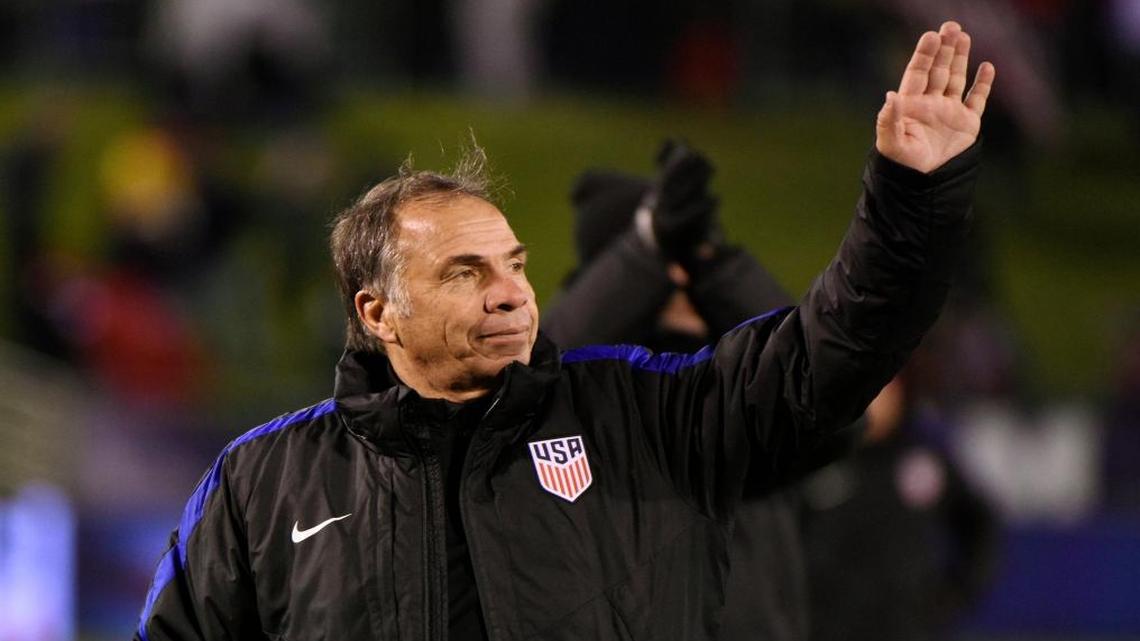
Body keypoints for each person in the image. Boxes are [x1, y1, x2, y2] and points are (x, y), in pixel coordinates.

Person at [135, 22, 995, 641]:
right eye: (465, 274)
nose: (511, 295)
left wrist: (910, 198)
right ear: (376, 311)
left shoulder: (643, 415)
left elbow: (829, 353)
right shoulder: (261, 486)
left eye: (514, 265)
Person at [542, 141, 811, 641]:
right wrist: (647, 250)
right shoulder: (581, 391)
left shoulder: (738, 386)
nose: (687, 279)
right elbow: (541, 375)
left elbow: (824, 397)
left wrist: (721, 265)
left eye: (694, 257)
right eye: (674, 259)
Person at [801, 371, 1000, 641]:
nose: (872, 401)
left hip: (904, 626)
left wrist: (954, 593)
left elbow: (979, 524)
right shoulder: (813, 458)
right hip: (825, 627)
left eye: (881, 389)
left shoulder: (922, 458)